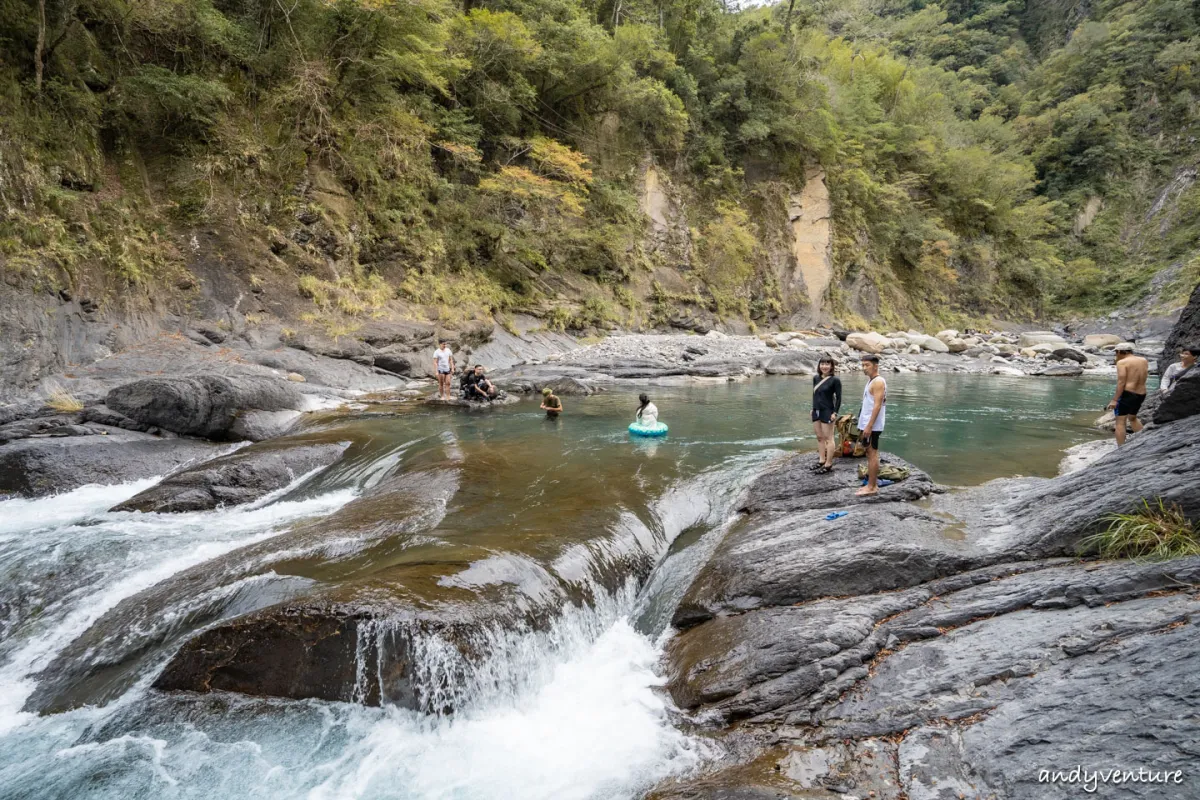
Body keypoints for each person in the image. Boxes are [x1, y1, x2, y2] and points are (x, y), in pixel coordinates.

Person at [856, 354, 887, 496]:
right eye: (863, 365)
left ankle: (872, 486)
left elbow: (877, 406)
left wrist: (869, 426)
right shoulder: (871, 381)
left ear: (875, 365)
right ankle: (871, 483)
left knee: (872, 453)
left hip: (872, 425)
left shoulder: (878, 382)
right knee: (869, 452)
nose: (864, 368)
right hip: (867, 423)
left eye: (867, 365)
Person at [1106, 343, 1148, 445]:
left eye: (1116, 353)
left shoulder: (1122, 362)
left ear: (1119, 352)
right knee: (1132, 418)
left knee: (1120, 422)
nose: (1116, 355)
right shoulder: (1143, 360)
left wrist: (1115, 400)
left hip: (1128, 394)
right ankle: (1144, 442)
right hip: (1141, 393)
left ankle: (1121, 449)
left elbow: (1121, 382)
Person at [810, 356, 842, 474]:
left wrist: (835, 412)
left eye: (827, 364)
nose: (824, 366)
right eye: (822, 364)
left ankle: (828, 464)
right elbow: (815, 395)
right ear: (819, 366)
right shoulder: (815, 378)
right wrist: (812, 408)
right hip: (816, 410)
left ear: (832, 366)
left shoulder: (835, 380)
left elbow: (839, 398)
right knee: (819, 437)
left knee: (829, 438)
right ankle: (821, 460)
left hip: (828, 411)